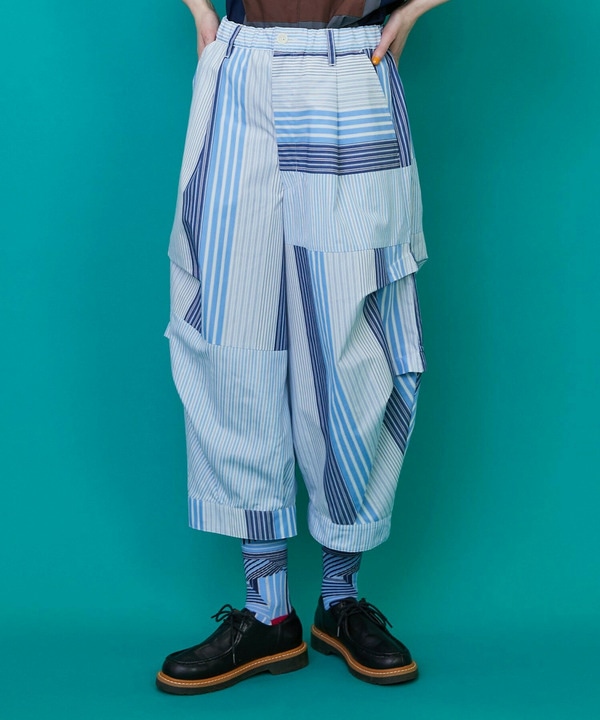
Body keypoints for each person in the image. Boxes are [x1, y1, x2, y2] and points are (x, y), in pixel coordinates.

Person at [157, 0, 450, 695]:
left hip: (349, 64)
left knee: (351, 346)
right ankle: (268, 613)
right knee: (229, 331)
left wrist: (415, 9)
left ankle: (340, 601)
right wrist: (200, 13)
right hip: (241, 69)